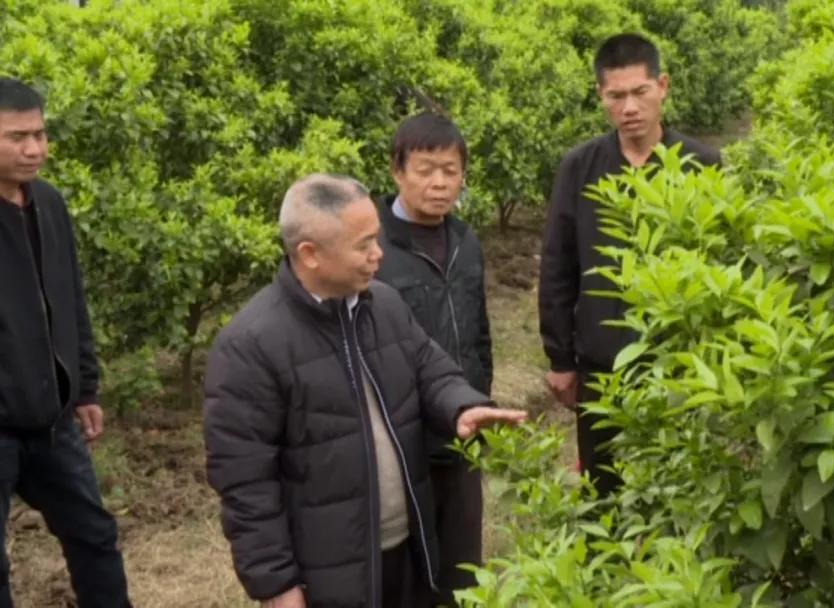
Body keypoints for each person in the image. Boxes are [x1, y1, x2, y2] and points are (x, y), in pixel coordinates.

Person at [203, 174, 525, 608]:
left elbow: (430, 368)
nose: (379, 254)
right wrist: (277, 585)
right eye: (364, 244)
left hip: (409, 548)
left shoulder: (383, 305)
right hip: (331, 571)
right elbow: (246, 485)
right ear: (310, 254)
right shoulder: (251, 345)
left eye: (377, 239)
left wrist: (461, 406)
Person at [539, 34, 722, 496]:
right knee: (604, 489)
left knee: (681, 487)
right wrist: (561, 358)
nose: (629, 107)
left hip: (676, 360)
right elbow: (558, 266)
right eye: (616, 96)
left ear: (663, 86)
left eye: (640, 92)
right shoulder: (579, 167)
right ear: (601, 97)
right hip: (602, 361)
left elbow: (721, 260)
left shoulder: (702, 165)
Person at [0, 77, 131, 606]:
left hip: (54, 425)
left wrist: (86, 387)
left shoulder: (49, 203)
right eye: (16, 137)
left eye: (40, 134)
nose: (34, 149)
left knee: (95, 536)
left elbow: (69, 297)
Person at [374, 113, 490, 607]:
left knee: (461, 568)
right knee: (406, 571)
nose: (440, 182)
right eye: (425, 169)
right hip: (400, 436)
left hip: (462, 432)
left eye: (450, 169)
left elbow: (479, 331)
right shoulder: (372, 246)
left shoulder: (466, 242)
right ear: (397, 171)